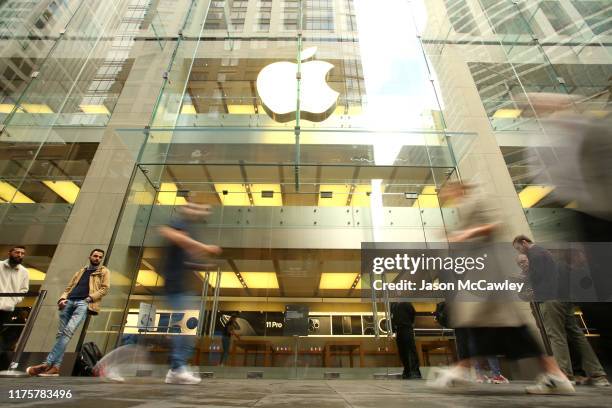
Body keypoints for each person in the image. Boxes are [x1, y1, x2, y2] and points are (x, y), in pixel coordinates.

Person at [428, 182, 574, 395]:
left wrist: (463, 234)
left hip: (488, 271)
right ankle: (462, 370)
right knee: (485, 324)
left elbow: (495, 224)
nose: (445, 197)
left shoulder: (477, 198)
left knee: (501, 324)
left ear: (456, 188)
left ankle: (461, 371)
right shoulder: (464, 206)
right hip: (481, 273)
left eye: (446, 192)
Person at [513, 235, 609, 387]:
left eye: (519, 249)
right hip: (563, 299)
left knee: (556, 336)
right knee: (577, 335)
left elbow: (539, 280)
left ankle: (563, 375)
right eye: (520, 263)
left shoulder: (535, 254)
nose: (522, 261)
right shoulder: (546, 255)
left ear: (524, 243)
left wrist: (523, 280)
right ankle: (597, 374)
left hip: (551, 300)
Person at [158, 202, 222, 385]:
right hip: (174, 285)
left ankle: (176, 368)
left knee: (189, 326)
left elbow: (186, 258)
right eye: (195, 207)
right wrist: (204, 247)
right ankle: (177, 368)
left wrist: (203, 265)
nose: (199, 211)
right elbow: (172, 235)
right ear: (186, 209)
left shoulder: (190, 228)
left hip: (181, 286)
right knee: (186, 325)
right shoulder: (178, 222)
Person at [26, 248, 109, 377]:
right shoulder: (81, 271)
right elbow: (69, 287)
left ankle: (47, 364)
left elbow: (104, 289)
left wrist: (89, 298)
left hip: (83, 303)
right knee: (61, 335)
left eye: (99, 257)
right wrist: (62, 298)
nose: (97, 258)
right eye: (95, 256)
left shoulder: (103, 271)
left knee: (67, 332)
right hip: (69, 302)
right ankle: (56, 368)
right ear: (90, 256)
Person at [0, 246, 29, 368]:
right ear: (10, 253)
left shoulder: (24, 272)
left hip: (7, 308)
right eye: (17, 252)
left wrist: (13, 301)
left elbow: (24, 290)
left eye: (22, 253)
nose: (20, 255)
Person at [391, 301, 420, 379]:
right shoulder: (393, 305)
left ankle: (414, 371)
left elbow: (412, 314)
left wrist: (409, 323)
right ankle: (407, 370)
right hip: (400, 329)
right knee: (402, 350)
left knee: (409, 349)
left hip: (406, 328)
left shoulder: (405, 303)